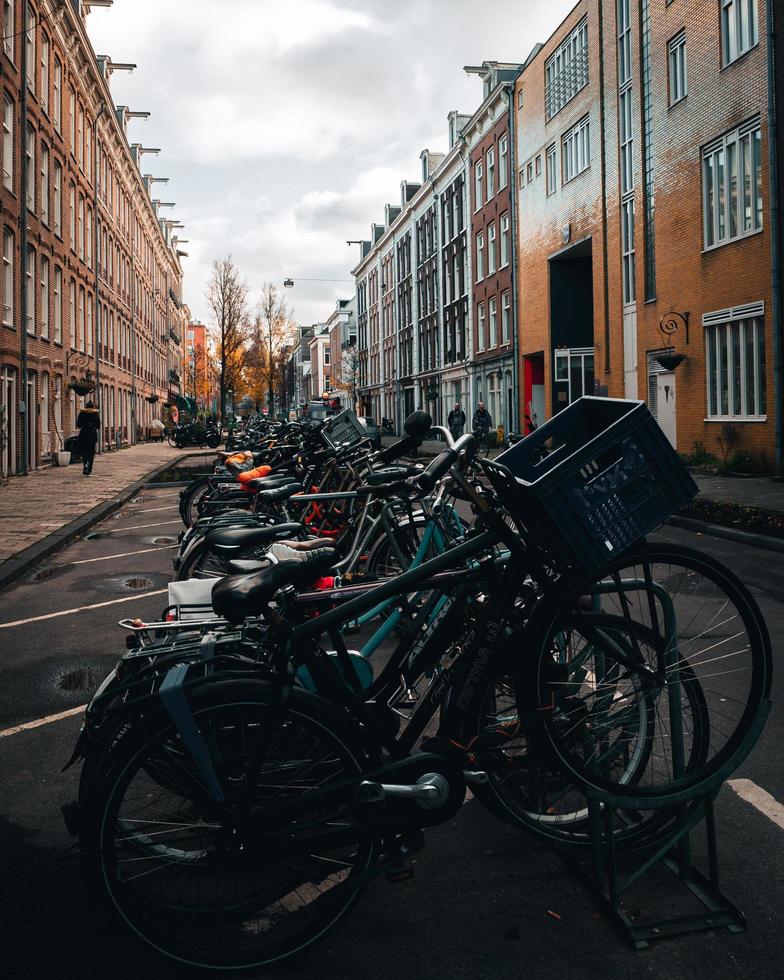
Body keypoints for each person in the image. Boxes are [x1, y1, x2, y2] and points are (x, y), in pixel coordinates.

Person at [76, 400, 101, 475]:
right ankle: (90, 469)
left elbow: (78, 425)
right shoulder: (95, 414)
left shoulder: (82, 414)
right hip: (92, 435)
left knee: (84, 452)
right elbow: (98, 426)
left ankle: (85, 465)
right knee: (91, 452)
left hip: (84, 434)